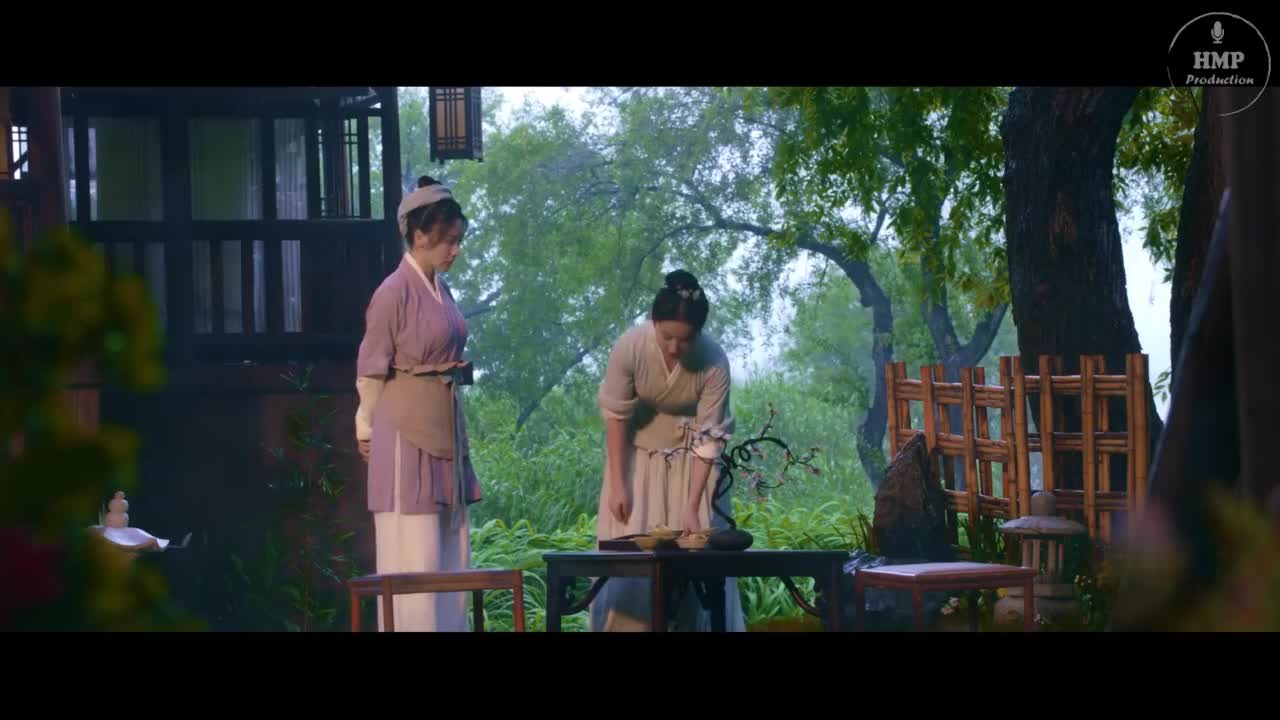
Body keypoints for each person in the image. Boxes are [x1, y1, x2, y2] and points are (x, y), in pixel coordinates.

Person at [354, 176, 480, 632]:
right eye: (449, 241)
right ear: (421, 236)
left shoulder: (441, 290)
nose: (455, 251)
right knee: (416, 549)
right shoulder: (393, 291)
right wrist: (365, 424)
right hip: (404, 431)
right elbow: (371, 368)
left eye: (459, 241)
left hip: (443, 422)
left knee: (450, 550)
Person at [591, 269, 746, 632]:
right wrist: (619, 484)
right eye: (667, 337)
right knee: (629, 571)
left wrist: (692, 505)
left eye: (685, 340)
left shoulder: (714, 360)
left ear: (699, 333)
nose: (675, 348)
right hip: (636, 462)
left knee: (697, 568)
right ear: (654, 322)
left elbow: (709, 438)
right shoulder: (630, 347)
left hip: (693, 467)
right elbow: (616, 417)